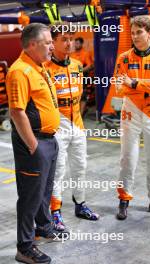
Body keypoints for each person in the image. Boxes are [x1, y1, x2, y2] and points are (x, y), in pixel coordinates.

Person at [6, 23, 67, 264]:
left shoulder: (39, 67)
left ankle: (43, 228)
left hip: (49, 140)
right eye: (48, 42)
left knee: (44, 191)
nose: (53, 45)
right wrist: (33, 146)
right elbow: (17, 112)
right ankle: (25, 247)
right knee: (30, 196)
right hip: (34, 143)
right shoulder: (20, 71)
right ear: (32, 44)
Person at [115, 16, 150, 220]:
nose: (135, 36)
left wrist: (135, 83)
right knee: (127, 159)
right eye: (133, 32)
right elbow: (119, 87)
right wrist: (146, 84)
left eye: (139, 32)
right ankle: (123, 200)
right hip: (130, 111)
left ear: (149, 33)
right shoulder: (123, 58)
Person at [45, 22, 99, 231]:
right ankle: (55, 212)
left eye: (70, 39)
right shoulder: (45, 68)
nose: (68, 43)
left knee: (80, 167)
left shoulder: (77, 65)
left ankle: (80, 204)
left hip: (77, 124)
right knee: (57, 171)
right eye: (63, 40)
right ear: (54, 42)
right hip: (58, 126)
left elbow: (82, 94)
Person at [71, 37, 94, 116]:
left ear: (81, 44)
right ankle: (76, 113)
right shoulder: (72, 54)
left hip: (83, 77)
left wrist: (80, 71)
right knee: (75, 95)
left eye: (78, 43)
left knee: (83, 95)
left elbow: (90, 65)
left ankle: (81, 113)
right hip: (73, 78)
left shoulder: (86, 53)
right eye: (75, 43)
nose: (76, 45)